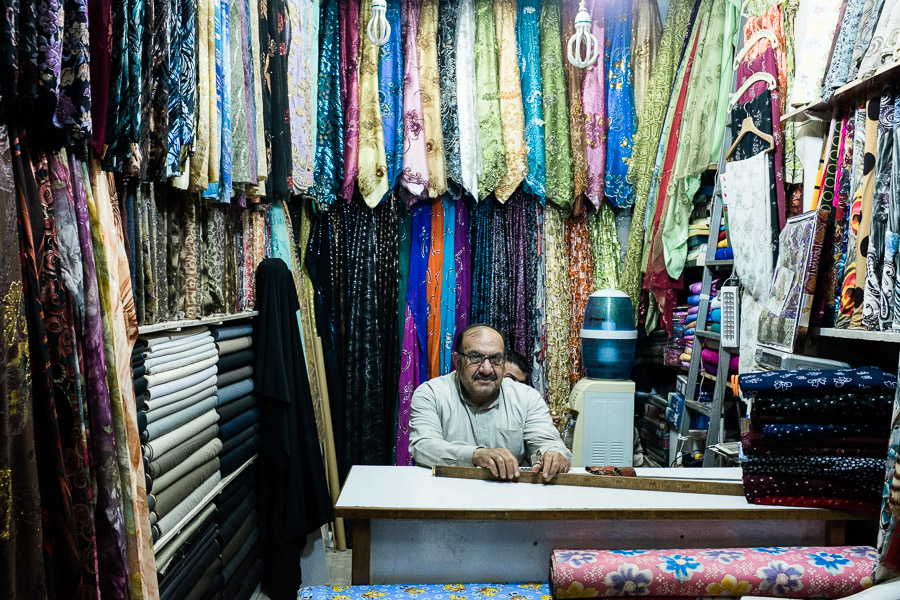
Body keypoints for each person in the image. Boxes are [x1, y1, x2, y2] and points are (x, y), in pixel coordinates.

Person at [408, 324, 572, 481]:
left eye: (495, 359)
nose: (486, 369)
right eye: (475, 357)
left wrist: (552, 455)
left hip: (510, 499)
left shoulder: (527, 397)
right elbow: (423, 446)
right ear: (457, 361)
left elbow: (547, 443)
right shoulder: (431, 394)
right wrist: (477, 455)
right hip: (445, 497)